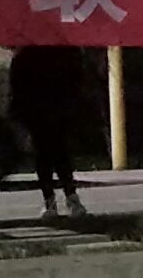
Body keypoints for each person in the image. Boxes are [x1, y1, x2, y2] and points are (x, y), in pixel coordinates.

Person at [8, 46, 89, 220]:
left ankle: (51, 200)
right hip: (57, 109)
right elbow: (77, 80)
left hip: (38, 111)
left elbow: (17, 87)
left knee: (45, 156)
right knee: (59, 154)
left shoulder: (25, 55)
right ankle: (70, 197)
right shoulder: (65, 51)